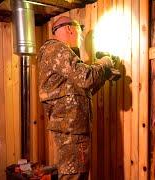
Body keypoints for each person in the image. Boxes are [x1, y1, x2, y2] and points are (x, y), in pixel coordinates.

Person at [37, 16, 120, 180]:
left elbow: (82, 89)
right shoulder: (57, 49)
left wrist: (104, 74)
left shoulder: (56, 54)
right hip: (71, 130)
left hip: (71, 129)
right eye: (80, 35)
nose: (80, 40)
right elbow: (86, 77)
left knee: (75, 175)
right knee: (74, 176)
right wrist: (105, 63)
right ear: (70, 29)